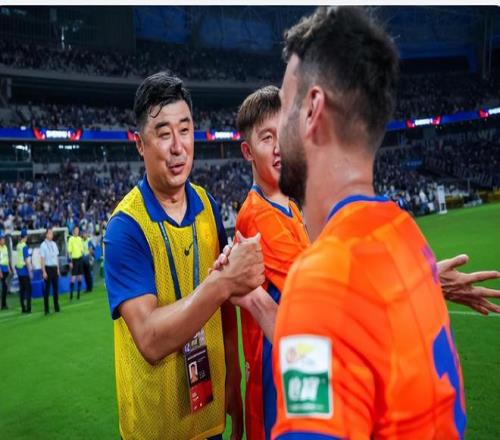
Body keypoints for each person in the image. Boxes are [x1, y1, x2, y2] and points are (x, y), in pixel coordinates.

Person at [273, 6, 467, 438]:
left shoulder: (320, 282)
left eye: (284, 106)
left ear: (312, 110)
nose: (277, 127)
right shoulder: (405, 234)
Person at [103, 72, 264, 440]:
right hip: (156, 426)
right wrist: (222, 282)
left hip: (209, 414)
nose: (178, 147)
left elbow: (225, 309)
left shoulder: (207, 205)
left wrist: (233, 379)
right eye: (163, 134)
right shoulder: (126, 227)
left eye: (185, 130)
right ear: (140, 144)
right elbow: (150, 339)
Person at [234, 85, 310, 440]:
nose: (279, 146)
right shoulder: (256, 216)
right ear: (247, 151)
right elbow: (315, 282)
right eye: (267, 138)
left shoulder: (290, 205)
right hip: (273, 381)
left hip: (299, 360)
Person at [40, 227, 60, 314]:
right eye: (50, 233)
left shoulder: (54, 244)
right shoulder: (43, 245)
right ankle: (46, 309)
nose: (52, 235)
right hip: (47, 268)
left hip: (54, 267)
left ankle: (56, 307)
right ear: (46, 234)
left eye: (52, 233)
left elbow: (56, 257)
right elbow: (42, 259)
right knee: (47, 289)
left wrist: (58, 269)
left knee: (56, 288)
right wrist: (44, 271)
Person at [15, 228, 31, 314]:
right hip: (24, 270)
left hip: (19, 271)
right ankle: (28, 308)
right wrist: (30, 271)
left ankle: (23, 308)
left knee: (22, 290)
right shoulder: (24, 246)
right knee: (28, 290)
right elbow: (26, 260)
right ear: (25, 237)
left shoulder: (18, 245)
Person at [67, 225, 84, 300]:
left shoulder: (80, 239)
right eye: (76, 230)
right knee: (73, 277)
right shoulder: (71, 239)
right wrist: (70, 261)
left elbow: (82, 250)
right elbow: (69, 252)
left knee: (80, 277)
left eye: (78, 230)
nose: (77, 231)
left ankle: (78, 294)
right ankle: (71, 294)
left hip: (80, 259)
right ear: (73, 231)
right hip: (74, 260)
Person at [0, 231, 13, 310]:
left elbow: (6, 259)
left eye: (3, 239)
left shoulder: (5, 247)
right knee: (3, 287)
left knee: (5, 287)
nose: (3, 240)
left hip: (5, 269)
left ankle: (4, 304)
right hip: (1, 269)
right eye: (2, 239)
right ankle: (3, 304)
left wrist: (9, 268)